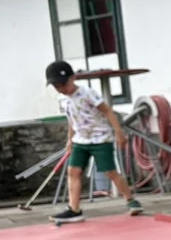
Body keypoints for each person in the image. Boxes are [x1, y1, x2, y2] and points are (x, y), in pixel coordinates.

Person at [45, 60, 141, 223]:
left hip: (100, 138)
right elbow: (71, 120)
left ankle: (131, 200)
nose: (61, 89)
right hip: (80, 140)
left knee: (110, 171)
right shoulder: (63, 100)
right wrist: (69, 140)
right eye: (56, 87)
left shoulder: (87, 93)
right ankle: (74, 209)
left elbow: (107, 111)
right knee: (73, 172)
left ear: (73, 78)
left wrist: (118, 132)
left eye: (63, 84)